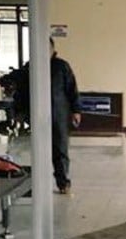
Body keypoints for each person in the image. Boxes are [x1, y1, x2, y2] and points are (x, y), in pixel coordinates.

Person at [9, 38, 82, 194]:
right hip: (35, 116)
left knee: (60, 150)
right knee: (37, 149)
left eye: (46, 49)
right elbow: (21, 93)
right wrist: (19, 113)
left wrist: (76, 110)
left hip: (58, 115)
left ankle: (63, 183)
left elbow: (72, 89)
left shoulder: (61, 66)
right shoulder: (30, 68)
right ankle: (37, 183)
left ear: (52, 49)